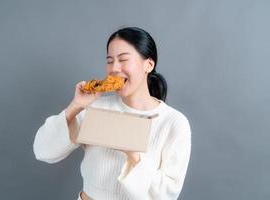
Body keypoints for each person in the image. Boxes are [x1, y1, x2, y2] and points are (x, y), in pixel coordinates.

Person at [33, 27, 192, 200]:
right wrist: (76, 105)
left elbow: (166, 195)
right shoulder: (95, 109)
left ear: (149, 64)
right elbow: (43, 151)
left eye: (123, 59)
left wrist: (134, 154)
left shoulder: (174, 123)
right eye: (109, 61)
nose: (114, 68)